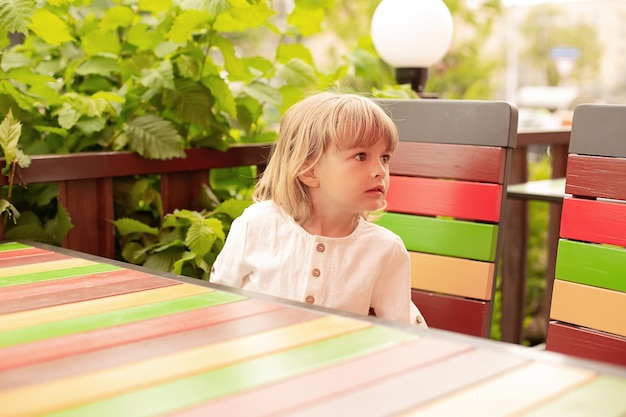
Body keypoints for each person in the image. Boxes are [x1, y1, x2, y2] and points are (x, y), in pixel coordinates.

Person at [210, 91, 427, 327]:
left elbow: (403, 330)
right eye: (361, 156)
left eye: (385, 158)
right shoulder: (257, 223)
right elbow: (215, 300)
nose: (380, 171)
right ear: (309, 170)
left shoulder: (384, 249)